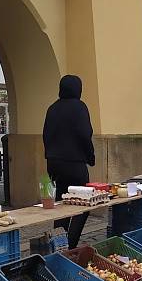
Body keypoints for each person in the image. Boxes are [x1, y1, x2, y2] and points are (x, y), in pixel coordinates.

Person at [43, 75, 95, 248]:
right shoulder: (79, 107)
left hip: (54, 164)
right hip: (74, 163)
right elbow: (84, 135)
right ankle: (71, 245)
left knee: (60, 204)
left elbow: (46, 135)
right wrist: (90, 157)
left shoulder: (52, 108)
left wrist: (51, 156)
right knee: (83, 204)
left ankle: (58, 244)